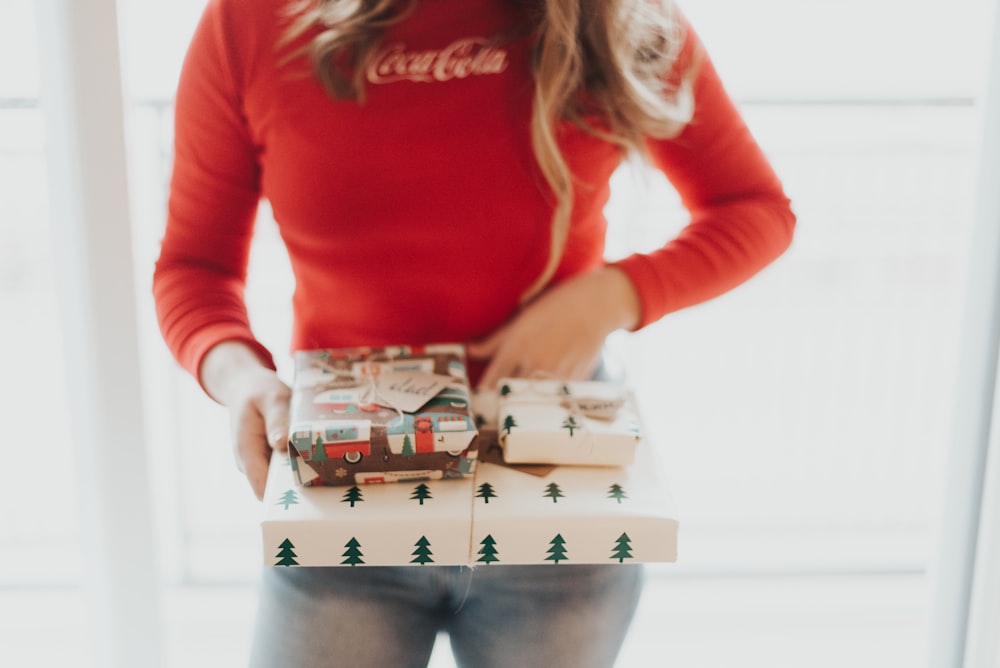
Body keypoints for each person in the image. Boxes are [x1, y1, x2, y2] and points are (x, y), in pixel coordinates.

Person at [153, 0, 795, 665]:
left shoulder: (616, 17)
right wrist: (240, 379)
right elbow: (193, 269)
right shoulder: (248, 21)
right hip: (343, 486)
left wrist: (614, 295)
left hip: (554, 493)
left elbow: (756, 209)